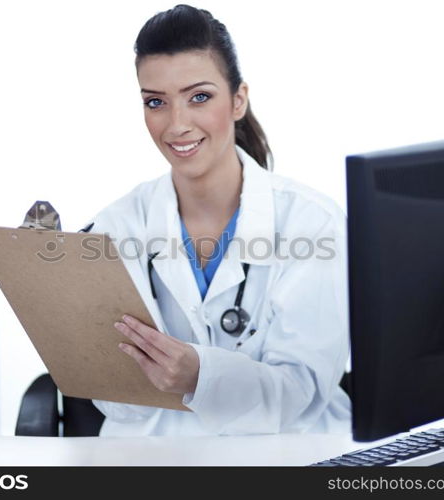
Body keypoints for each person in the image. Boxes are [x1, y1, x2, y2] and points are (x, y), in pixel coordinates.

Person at [84, 4, 351, 436]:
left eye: (199, 97)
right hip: (155, 460)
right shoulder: (115, 228)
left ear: (239, 100)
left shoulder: (311, 224)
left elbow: (302, 392)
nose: (177, 125)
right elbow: (120, 404)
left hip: (286, 455)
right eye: (156, 102)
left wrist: (201, 377)